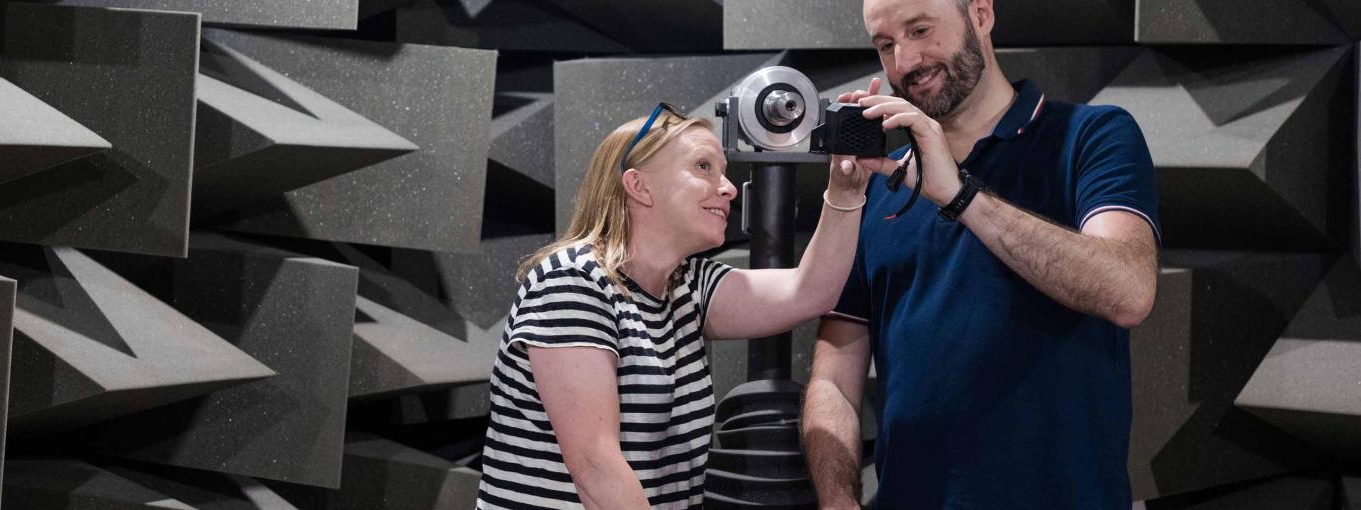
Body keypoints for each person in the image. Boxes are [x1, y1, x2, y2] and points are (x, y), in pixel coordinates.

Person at [800, 0, 1161, 508]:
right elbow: (835, 377)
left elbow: (1129, 291)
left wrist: (959, 195)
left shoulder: (1090, 137)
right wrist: (838, 499)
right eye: (885, 45)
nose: (905, 61)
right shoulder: (878, 184)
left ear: (981, 14)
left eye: (920, 29)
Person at [476, 103, 869, 509]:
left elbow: (811, 292)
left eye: (723, 171)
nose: (729, 187)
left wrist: (846, 191)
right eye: (702, 167)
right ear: (639, 186)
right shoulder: (572, 281)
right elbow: (597, 469)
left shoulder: (687, 284)